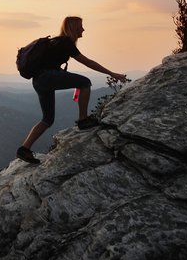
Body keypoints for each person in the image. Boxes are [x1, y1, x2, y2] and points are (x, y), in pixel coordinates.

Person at [16, 16, 127, 164]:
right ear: (74, 28)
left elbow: (50, 64)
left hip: (38, 81)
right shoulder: (66, 42)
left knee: (47, 119)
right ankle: (83, 120)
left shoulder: (57, 42)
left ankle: (24, 149)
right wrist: (112, 74)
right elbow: (87, 62)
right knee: (85, 82)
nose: (83, 29)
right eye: (80, 26)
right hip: (47, 77)